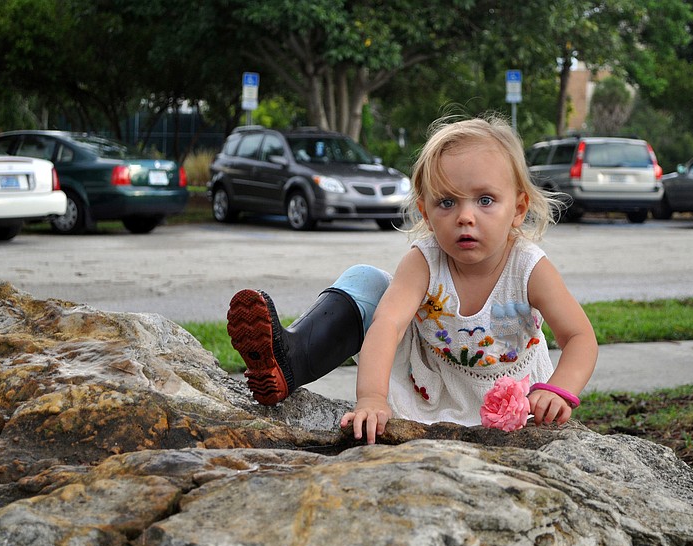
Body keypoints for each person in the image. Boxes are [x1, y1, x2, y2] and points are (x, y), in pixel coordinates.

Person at [227, 114, 598, 444]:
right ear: (425, 209)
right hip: (430, 379)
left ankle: (290, 361)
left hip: (505, 395)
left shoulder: (529, 267)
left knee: (374, 286)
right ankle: (289, 360)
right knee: (367, 280)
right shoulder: (425, 260)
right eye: (447, 202)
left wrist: (558, 391)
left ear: (518, 209)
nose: (465, 217)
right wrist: (371, 398)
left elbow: (579, 337)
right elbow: (387, 326)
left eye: (485, 200)